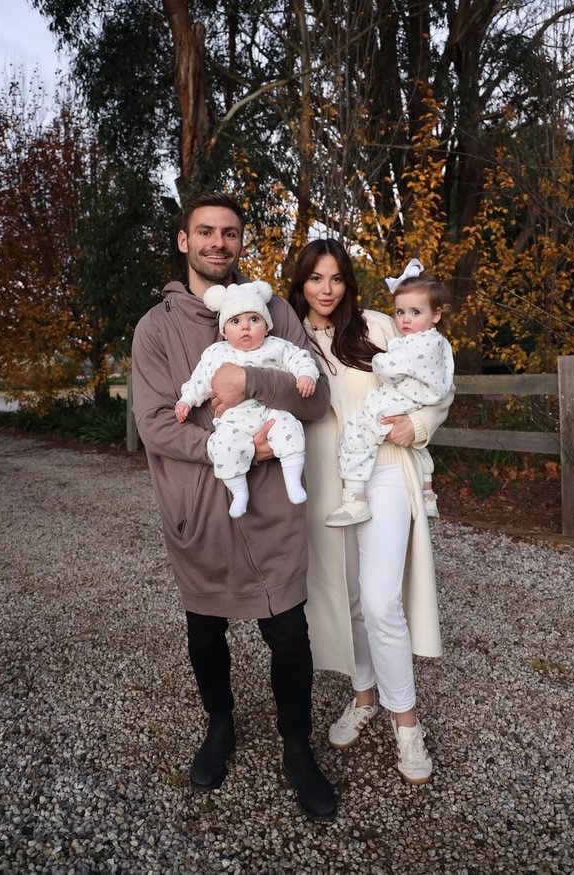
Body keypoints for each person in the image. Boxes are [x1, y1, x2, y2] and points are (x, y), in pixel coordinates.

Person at [131, 192, 336, 822]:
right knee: (206, 630)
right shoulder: (156, 329)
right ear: (184, 241)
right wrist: (241, 446)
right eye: (206, 232)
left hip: (271, 505)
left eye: (230, 234)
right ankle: (220, 724)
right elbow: (157, 423)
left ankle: (297, 746)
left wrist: (252, 383)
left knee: (289, 632)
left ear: (241, 243)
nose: (219, 243)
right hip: (198, 505)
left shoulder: (271, 308)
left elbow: (317, 393)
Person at [288, 239, 454, 785]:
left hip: (382, 468)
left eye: (336, 279)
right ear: (302, 283)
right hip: (322, 479)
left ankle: (406, 724)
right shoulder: (289, 336)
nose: (326, 289)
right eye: (316, 279)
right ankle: (363, 696)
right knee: (347, 594)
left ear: (350, 284)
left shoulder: (382, 325)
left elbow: (437, 380)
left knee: (382, 600)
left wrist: (421, 425)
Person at [325, 258, 454, 526]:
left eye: (415, 313)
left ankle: (355, 497)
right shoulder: (433, 341)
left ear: (436, 315)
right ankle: (428, 492)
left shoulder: (406, 338)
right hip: (412, 399)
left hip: (397, 416)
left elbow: (390, 367)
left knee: (358, 431)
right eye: (400, 313)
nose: (405, 320)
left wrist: (379, 360)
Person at [175, 279, 319, 518]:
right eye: (235, 321)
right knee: (221, 444)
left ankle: (293, 480)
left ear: (266, 325)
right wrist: (186, 401)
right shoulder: (216, 353)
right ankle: (239, 492)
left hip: (270, 412)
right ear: (224, 329)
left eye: (254, 319)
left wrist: (305, 376)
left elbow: (301, 359)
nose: (245, 327)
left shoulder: (277, 346)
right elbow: (199, 380)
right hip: (234, 419)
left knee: (289, 426)